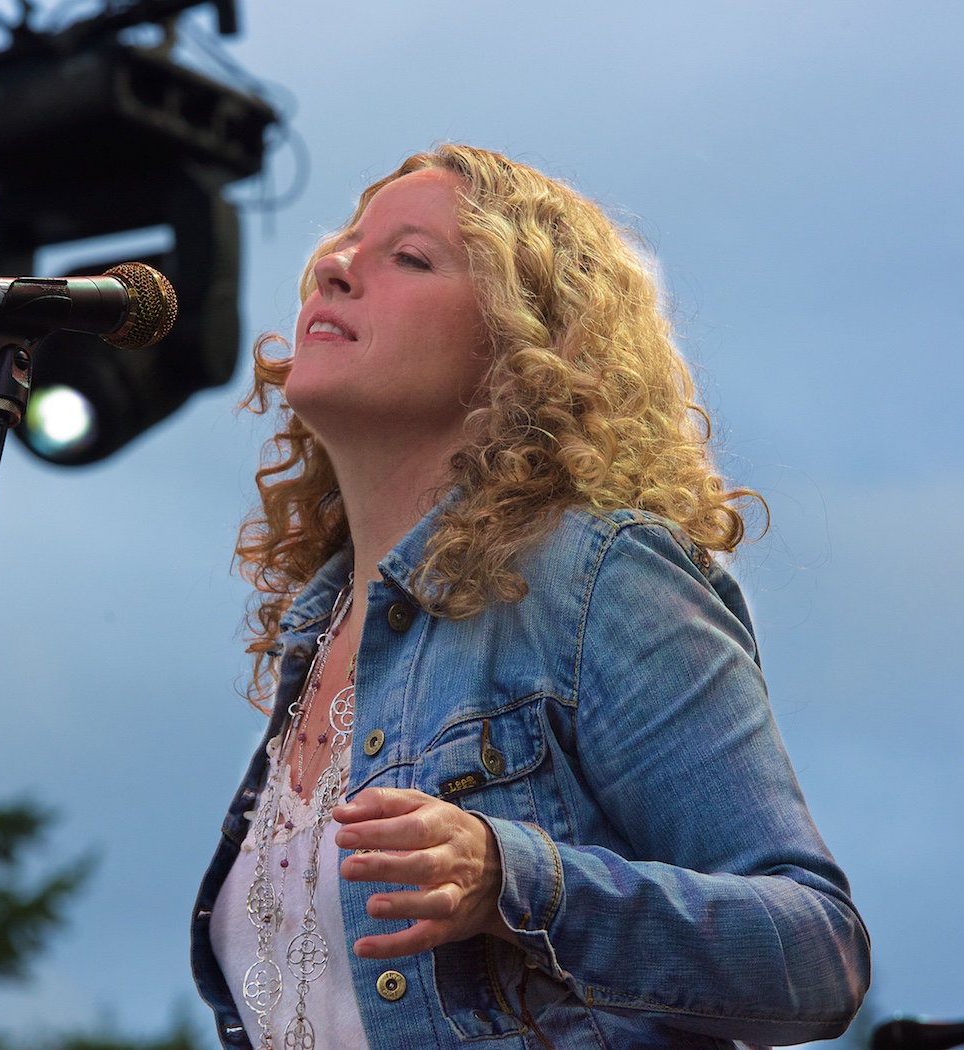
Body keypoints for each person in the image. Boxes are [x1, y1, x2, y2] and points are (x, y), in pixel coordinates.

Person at [191, 144, 870, 1050]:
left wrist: (510, 879)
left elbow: (816, 956)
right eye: (344, 245)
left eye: (409, 256)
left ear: (520, 349)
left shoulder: (592, 578)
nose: (335, 264)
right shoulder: (315, 642)